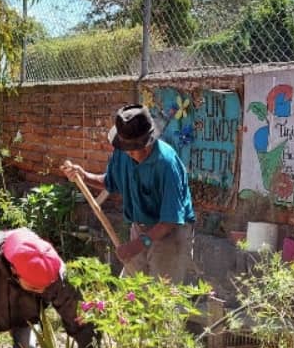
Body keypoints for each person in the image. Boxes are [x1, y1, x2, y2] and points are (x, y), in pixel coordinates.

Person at [62, 103, 197, 282]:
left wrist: (137, 245)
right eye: (126, 149)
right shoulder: (123, 152)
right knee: (131, 293)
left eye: (133, 149)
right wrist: (84, 176)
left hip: (170, 235)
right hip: (140, 229)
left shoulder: (166, 164)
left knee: (164, 298)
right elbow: (110, 181)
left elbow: (169, 221)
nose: (128, 154)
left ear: (147, 143)